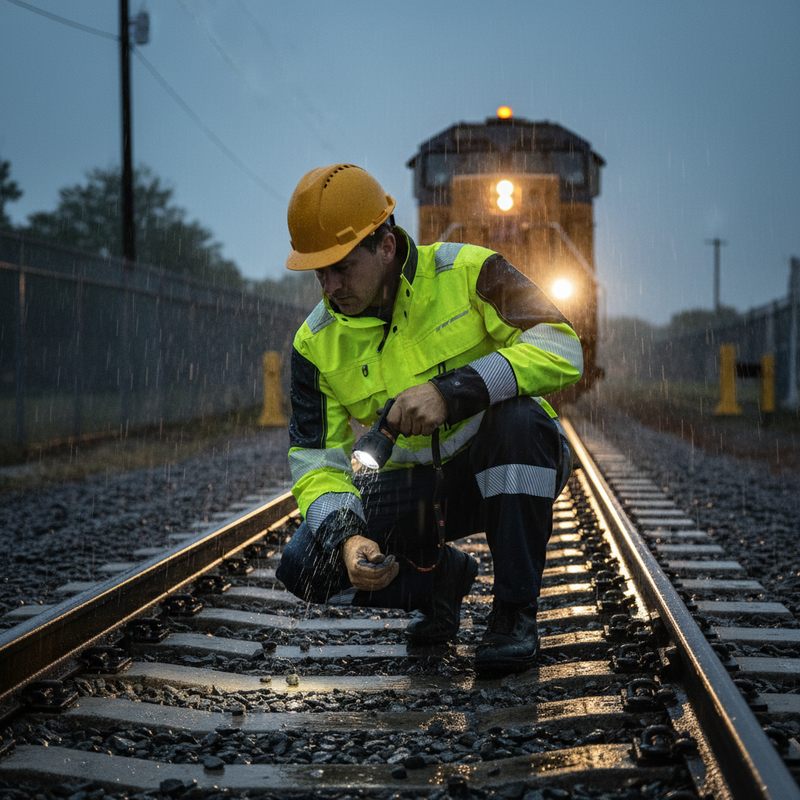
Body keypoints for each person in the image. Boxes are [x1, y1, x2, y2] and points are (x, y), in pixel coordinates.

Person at [275, 163, 583, 676]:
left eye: (342, 267)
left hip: (498, 467)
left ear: (386, 246)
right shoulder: (313, 344)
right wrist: (350, 536)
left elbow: (563, 345)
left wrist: (454, 392)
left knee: (521, 423)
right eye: (319, 273)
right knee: (305, 565)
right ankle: (440, 581)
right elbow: (315, 462)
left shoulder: (469, 271)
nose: (329, 286)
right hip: (415, 490)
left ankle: (513, 614)